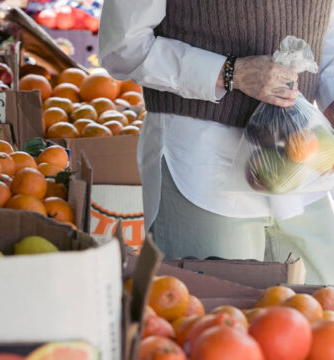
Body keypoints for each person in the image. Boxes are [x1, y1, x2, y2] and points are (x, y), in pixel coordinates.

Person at [99, 0, 334, 285]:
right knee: (214, 317)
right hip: (203, 165)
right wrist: (229, 72)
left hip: (302, 164)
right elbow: (122, 46)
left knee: (320, 315)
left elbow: (326, 35)